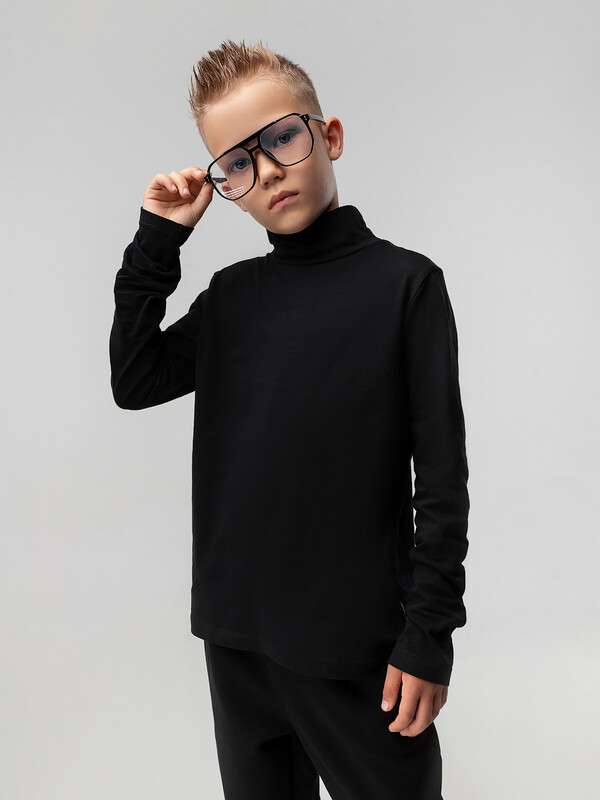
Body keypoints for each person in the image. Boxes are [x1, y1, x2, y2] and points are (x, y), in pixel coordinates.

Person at [109, 37, 470, 800]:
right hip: (237, 640)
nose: (267, 170)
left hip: (357, 651)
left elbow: (441, 480)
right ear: (227, 188)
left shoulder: (405, 286)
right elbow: (135, 380)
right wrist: (160, 237)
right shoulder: (232, 298)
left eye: (280, 138)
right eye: (237, 163)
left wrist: (429, 636)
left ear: (328, 136)